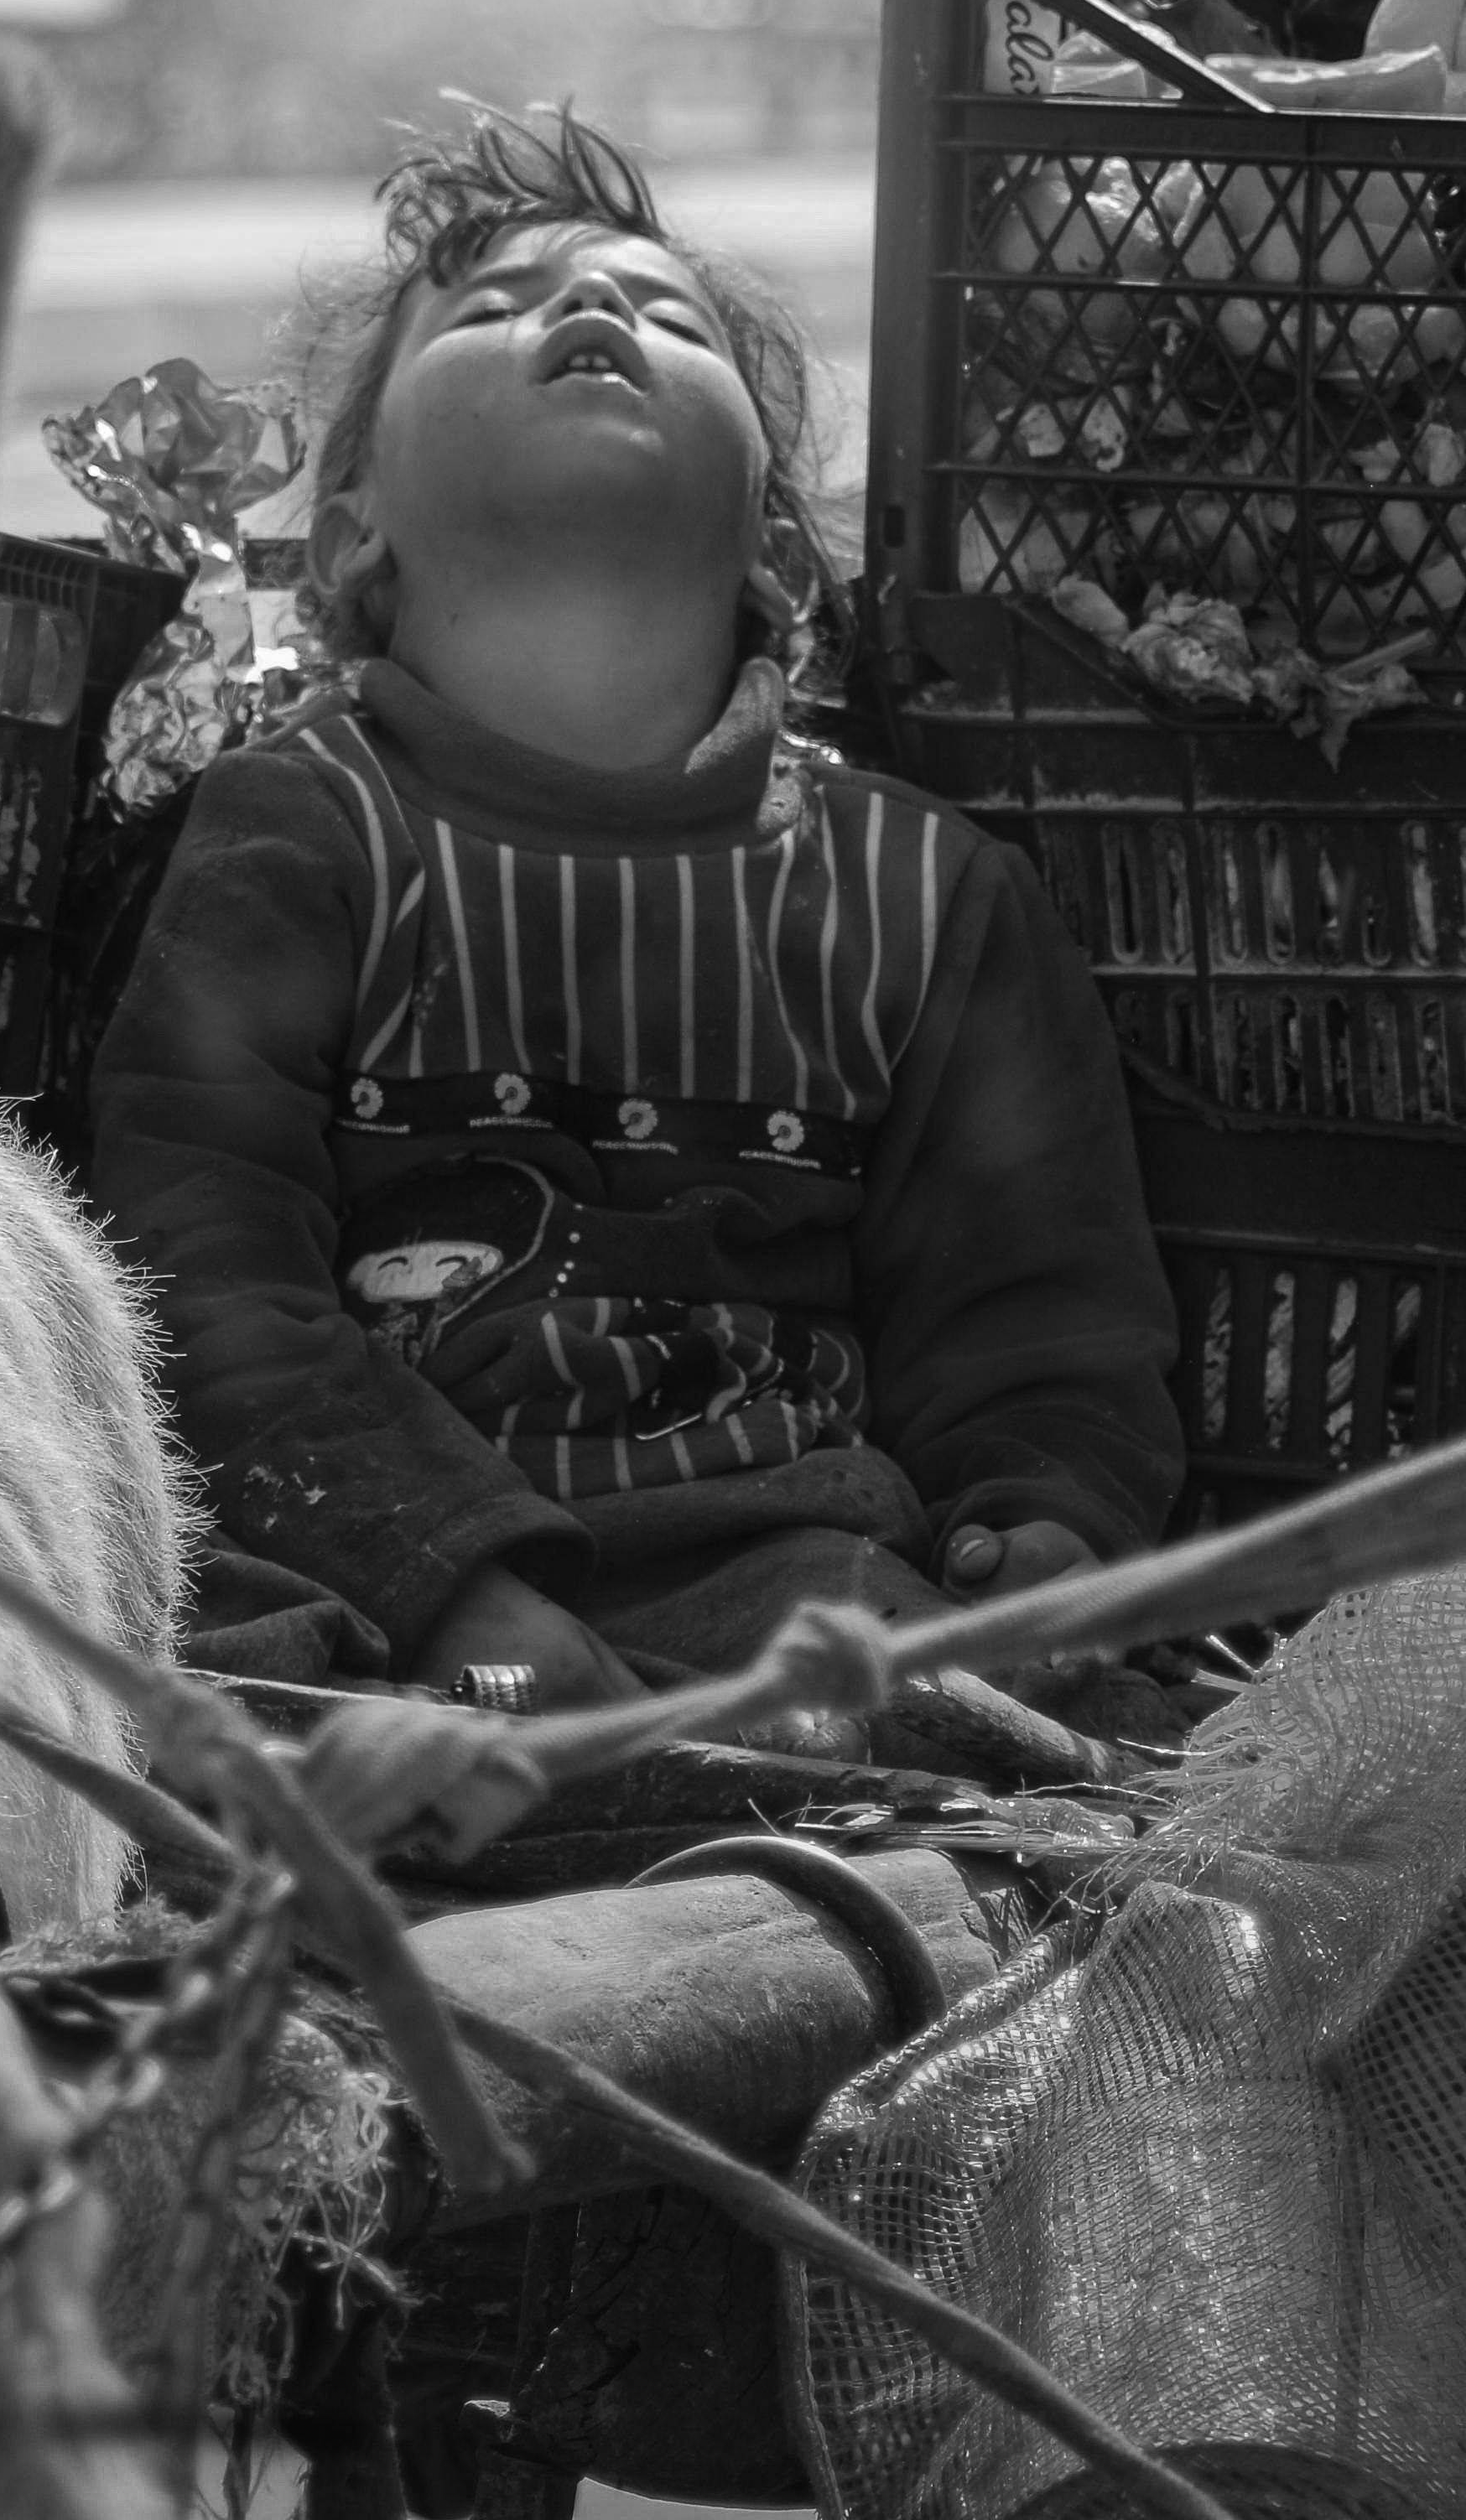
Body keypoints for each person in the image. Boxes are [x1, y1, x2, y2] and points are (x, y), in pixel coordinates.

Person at [87, 103, 1181, 1714]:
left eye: (666, 317)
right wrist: (458, 1594)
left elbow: (1038, 1306)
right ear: (351, 534)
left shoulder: (930, 895)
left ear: (775, 549)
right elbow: (196, 1271)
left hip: (796, 1586)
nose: (592, 310)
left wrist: (1047, 1533)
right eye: (490, 311)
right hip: (368, 1596)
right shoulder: (300, 829)